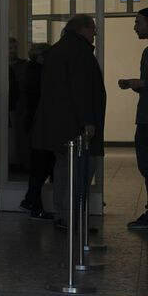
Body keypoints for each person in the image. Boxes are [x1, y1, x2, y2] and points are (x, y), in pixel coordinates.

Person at [31, 14, 105, 230]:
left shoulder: (58, 50)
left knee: (64, 169)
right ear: (81, 29)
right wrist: (88, 121)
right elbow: (81, 91)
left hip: (58, 124)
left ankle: (63, 216)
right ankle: (70, 219)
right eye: (92, 28)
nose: (95, 33)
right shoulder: (79, 52)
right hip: (74, 125)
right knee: (79, 171)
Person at [117, 7, 148, 229]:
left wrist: (142, 83)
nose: (134, 27)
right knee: (146, 166)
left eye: (138, 22)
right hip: (146, 117)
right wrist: (135, 84)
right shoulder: (147, 52)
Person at [20, 42, 54, 219]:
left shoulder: (31, 70)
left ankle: (33, 202)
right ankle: (32, 202)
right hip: (40, 125)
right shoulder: (39, 73)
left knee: (40, 166)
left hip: (35, 124)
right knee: (42, 166)